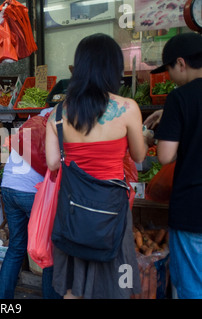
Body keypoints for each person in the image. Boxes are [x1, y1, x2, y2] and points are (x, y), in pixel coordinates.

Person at [45, 33, 148, 299]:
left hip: (73, 211)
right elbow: (138, 156)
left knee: (73, 287)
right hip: (113, 211)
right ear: (112, 68)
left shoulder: (58, 114)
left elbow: (53, 163)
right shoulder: (128, 108)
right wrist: (143, 135)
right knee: (117, 283)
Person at [146, 32, 202, 299]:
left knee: (191, 285)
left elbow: (165, 156)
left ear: (181, 63)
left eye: (168, 69)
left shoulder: (180, 98)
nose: (168, 77)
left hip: (193, 207)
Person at [0, 107, 61, 299]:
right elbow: (54, 163)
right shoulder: (56, 124)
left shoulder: (30, 123)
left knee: (16, 246)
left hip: (8, 186)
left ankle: (0, 300)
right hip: (32, 192)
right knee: (49, 249)